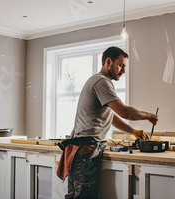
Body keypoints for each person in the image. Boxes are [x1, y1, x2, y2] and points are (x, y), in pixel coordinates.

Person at [56, 46, 158, 198]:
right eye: (121, 65)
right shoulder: (101, 82)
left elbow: (112, 116)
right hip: (85, 150)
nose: (123, 71)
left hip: (86, 148)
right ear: (109, 61)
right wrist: (148, 115)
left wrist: (133, 131)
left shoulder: (99, 82)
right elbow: (124, 111)